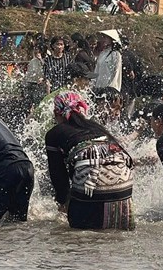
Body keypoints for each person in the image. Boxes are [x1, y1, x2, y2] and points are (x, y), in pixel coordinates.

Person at [45, 91, 135, 230]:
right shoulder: (97, 128)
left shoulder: (54, 134)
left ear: (56, 113)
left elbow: (58, 176)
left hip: (91, 189)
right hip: (124, 190)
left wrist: (63, 204)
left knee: (77, 239)